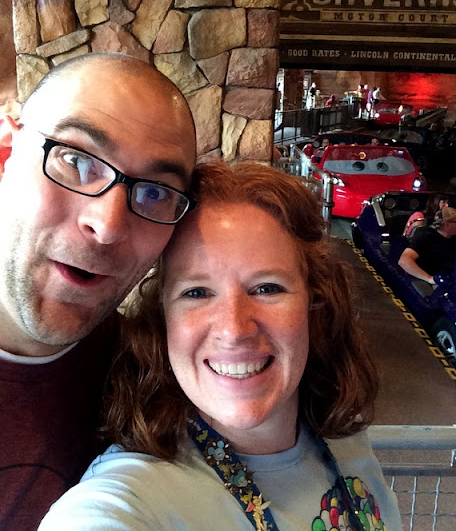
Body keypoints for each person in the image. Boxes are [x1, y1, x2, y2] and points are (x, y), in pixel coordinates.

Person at [39, 161, 401, 531]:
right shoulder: (129, 500)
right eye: (196, 292)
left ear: (315, 303)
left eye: (267, 288)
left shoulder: (346, 440)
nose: (234, 329)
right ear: (162, 320)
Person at [0, 52, 197, 531]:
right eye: (75, 160)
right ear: (7, 153)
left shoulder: (156, 381)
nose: (108, 226)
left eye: (154, 192)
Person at [399, 205, 456, 285]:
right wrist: (429, 278)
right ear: (446, 224)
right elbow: (404, 260)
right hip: (433, 284)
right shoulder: (425, 236)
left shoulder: (453, 239)